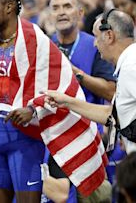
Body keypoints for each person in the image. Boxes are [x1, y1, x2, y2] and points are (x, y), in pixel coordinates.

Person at [0, 0, 107, 203]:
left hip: (24, 140)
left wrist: (33, 109)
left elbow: (59, 88)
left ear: (8, 7)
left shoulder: (39, 42)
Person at [43, 9, 136, 153]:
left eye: (96, 37)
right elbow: (111, 114)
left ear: (109, 36)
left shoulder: (131, 66)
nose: (94, 44)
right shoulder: (129, 64)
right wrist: (66, 101)